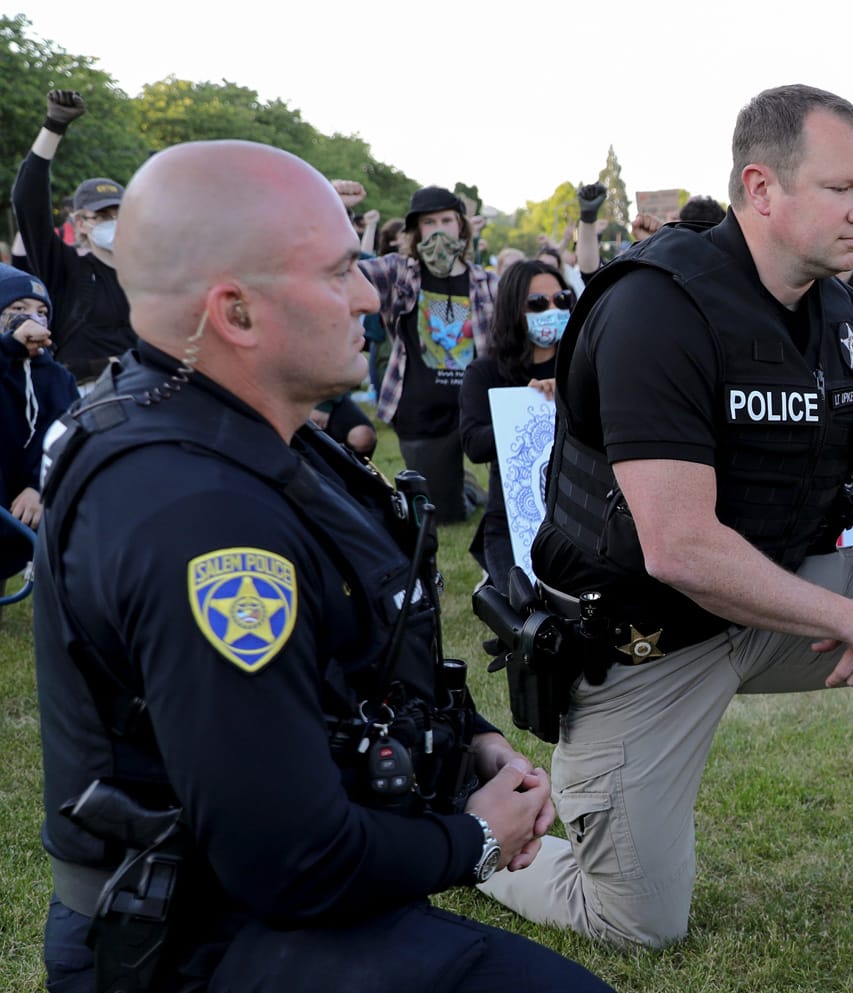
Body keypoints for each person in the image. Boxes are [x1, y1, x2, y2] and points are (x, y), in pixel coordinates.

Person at [482, 84, 853, 950]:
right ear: (761, 189)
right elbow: (679, 546)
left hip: (774, 606)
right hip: (646, 636)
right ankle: (477, 842)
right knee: (634, 920)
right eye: (841, 189)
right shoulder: (657, 308)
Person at [31, 140, 611, 993]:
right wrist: (476, 836)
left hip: (276, 909)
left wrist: (466, 743)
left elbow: (347, 656)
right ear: (237, 314)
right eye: (340, 270)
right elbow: (288, 859)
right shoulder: (198, 514)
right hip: (202, 942)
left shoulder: (255, 434)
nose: (371, 294)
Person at [361, 185, 498, 523]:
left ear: (461, 227)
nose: (439, 229)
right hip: (421, 413)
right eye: (428, 222)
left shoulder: (486, 282)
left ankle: (464, 484)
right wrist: (346, 213)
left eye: (447, 220)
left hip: (475, 407)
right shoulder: (399, 273)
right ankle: (463, 489)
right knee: (445, 516)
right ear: (415, 231)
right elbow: (344, 270)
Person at [460, 260, 569, 590]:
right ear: (513, 309)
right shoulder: (484, 372)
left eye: (562, 299)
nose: (552, 309)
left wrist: (566, 397)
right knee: (524, 610)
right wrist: (525, 409)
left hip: (576, 517)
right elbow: (474, 444)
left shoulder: (582, 363)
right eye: (537, 303)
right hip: (511, 520)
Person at [12, 90, 134, 384]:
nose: (114, 223)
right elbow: (28, 200)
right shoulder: (68, 270)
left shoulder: (154, 275)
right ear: (80, 224)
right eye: (103, 216)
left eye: (121, 213)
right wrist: (54, 126)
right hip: (86, 403)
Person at [1, 265, 78, 581]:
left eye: (41, 311)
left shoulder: (57, 377)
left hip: (20, 512)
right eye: (18, 309)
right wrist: (9, 347)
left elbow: (67, 435)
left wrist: (38, 486)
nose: (32, 317)